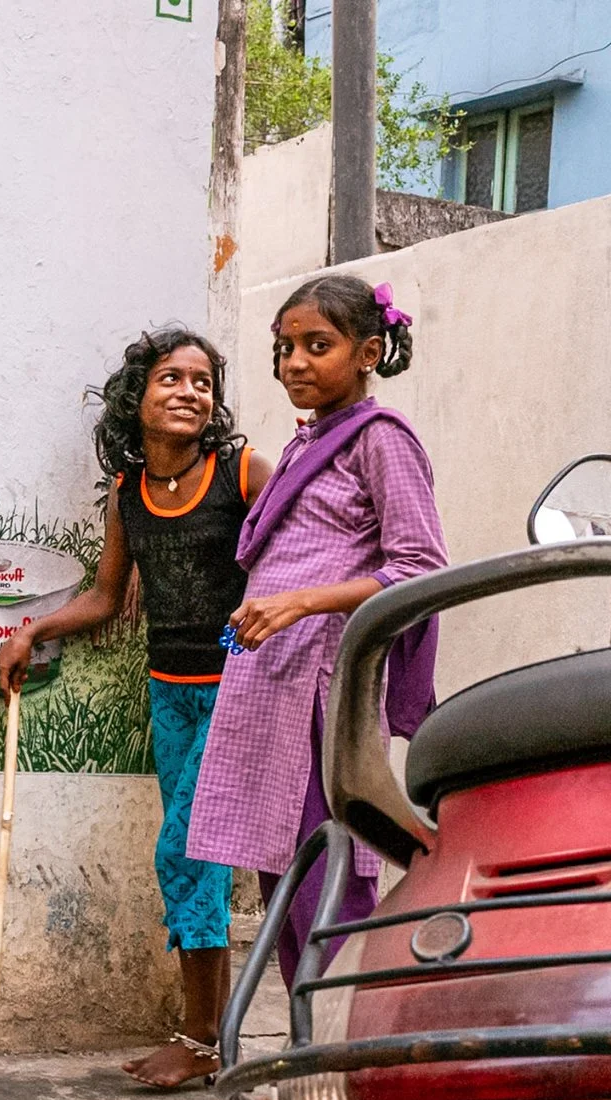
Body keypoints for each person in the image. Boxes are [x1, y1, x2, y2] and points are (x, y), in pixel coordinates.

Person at [0, 328, 269, 1089]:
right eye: (171, 379)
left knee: (188, 851)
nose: (189, 392)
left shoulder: (243, 472)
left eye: (203, 382)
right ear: (137, 398)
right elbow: (107, 598)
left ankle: (204, 1040)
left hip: (239, 689)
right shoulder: (129, 492)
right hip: (169, 695)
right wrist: (34, 629)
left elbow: (294, 555)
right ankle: (212, 1035)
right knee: (195, 856)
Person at [187, 274, 446, 986]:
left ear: (368, 352)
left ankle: (340, 1054)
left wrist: (298, 604)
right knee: (283, 881)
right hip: (273, 689)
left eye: (316, 345)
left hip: (321, 697)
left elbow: (420, 567)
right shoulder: (308, 442)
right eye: (284, 347)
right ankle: (307, 1059)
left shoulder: (381, 440)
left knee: (328, 881)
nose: (294, 362)